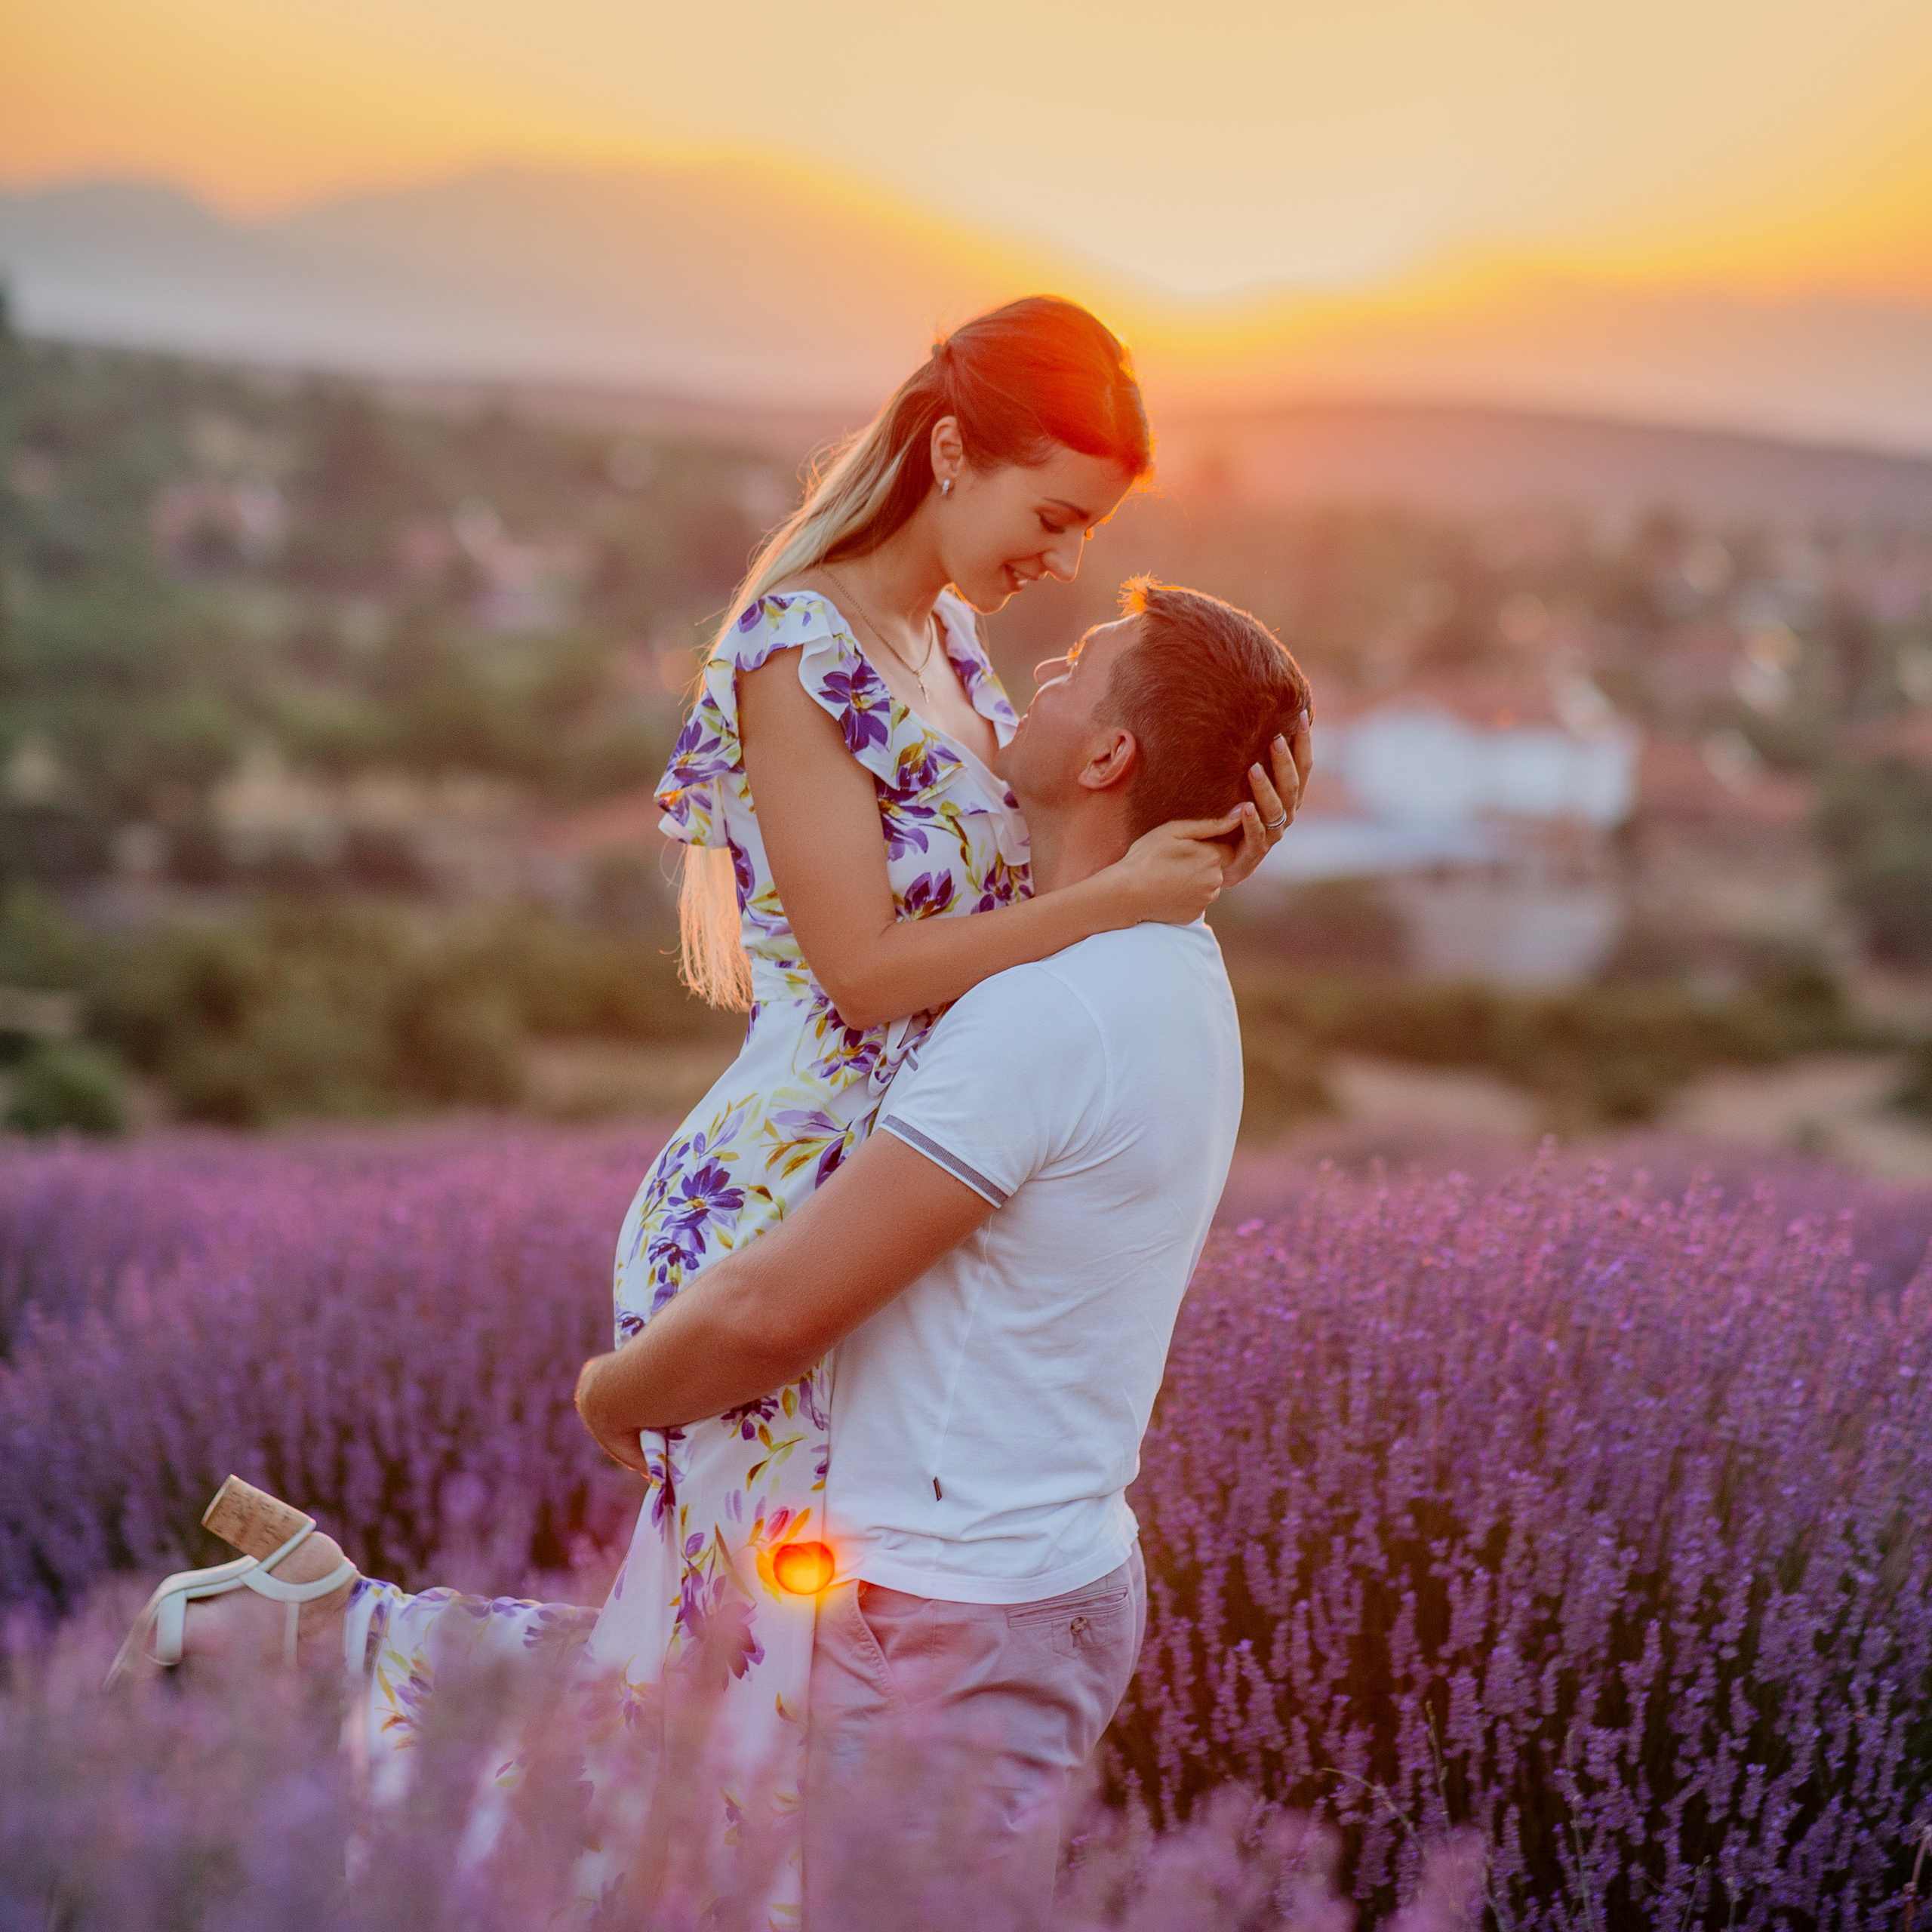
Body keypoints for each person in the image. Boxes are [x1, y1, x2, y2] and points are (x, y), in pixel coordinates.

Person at [109, 300, 1311, 1924]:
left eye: (1084, 533)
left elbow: (1093, 831)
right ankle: (351, 1681)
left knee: (720, 1678)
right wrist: (1111, 909)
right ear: (952, 452)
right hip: (773, 1193)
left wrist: (1221, 834)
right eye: (1051, 514)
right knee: (727, 1703)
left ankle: (342, 1631)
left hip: (891, 1190)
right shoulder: (794, 651)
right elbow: (872, 969)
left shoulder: (948, 649)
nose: (1059, 563)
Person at [574, 580, 1309, 1927]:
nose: (1046, 668)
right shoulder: (1166, 964)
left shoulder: (1047, 1015)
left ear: (1107, 759)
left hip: (947, 1635)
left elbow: (772, 1310)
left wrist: (609, 1397)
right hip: (1021, 1594)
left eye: (1086, 665)